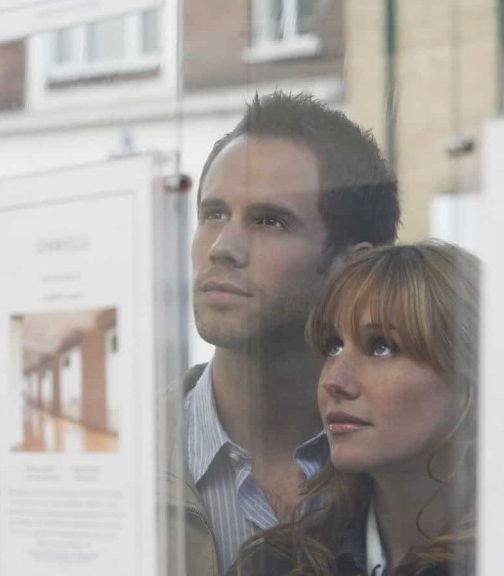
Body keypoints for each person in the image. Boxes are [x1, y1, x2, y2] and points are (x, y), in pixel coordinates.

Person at [164, 90, 399, 576]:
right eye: (213, 214)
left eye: (269, 220)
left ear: (352, 267)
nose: (222, 248)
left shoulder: (413, 465)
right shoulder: (122, 460)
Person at [232, 241, 480, 576]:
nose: (334, 380)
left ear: (468, 382)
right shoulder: (274, 565)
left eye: (381, 347)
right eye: (333, 346)